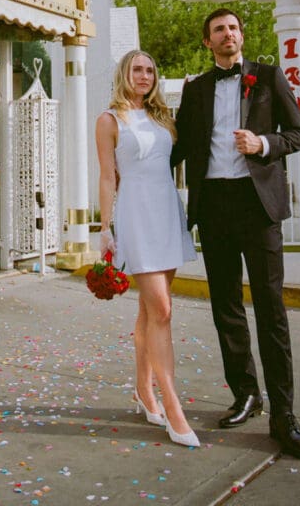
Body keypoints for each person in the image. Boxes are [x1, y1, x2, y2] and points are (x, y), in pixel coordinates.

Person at [171, 9, 300, 458]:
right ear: (207, 41)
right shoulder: (195, 89)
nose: (228, 34)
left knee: (271, 309)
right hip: (214, 206)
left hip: (258, 207)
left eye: (233, 28)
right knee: (226, 306)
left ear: (241, 36)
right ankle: (246, 394)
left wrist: (263, 144)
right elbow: (180, 146)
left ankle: (283, 416)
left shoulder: (268, 77)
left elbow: (298, 133)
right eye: (218, 30)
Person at [96, 49, 199, 448]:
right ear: (125, 74)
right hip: (137, 213)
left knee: (149, 312)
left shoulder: (162, 118)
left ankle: (143, 389)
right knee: (162, 309)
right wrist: (105, 228)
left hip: (167, 211)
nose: (144, 75)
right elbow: (108, 177)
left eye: (150, 70)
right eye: (137, 69)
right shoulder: (109, 120)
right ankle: (174, 408)